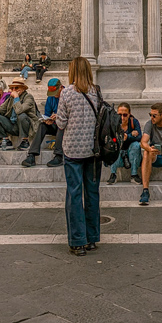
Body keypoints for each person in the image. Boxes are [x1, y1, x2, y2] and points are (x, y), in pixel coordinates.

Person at [55, 56, 102, 256]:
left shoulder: (66, 93)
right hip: (93, 151)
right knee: (92, 194)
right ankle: (92, 238)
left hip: (73, 151)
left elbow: (60, 123)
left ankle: (77, 241)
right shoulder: (97, 92)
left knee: (74, 194)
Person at [22, 77, 65, 168]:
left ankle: (59, 156)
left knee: (61, 127)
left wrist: (59, 115)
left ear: (61, 87)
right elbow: (47, 114)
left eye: (56, 92)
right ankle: (32, 155)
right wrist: (48, 120)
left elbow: (72, 114)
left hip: (67, 126)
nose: (55, 95)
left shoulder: (68, 95)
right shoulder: (51, 98)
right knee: (42, 125)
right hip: (56, 124)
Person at [0, 76, 39, 151]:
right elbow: (1, 108)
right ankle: (6, 141)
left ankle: (25, 141)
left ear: (23, 89)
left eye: (16, 88)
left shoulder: (28, 97)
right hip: (13, 124)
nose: (14, 90)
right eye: (13, 88)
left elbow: (19, 110)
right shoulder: (10, 98)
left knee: (21, 116)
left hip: (26, 126)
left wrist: (16, 97)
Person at [107, 103, 142, 185]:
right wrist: (130, 135)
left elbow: (140, 137)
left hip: (131, 154)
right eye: (120, 114)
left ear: (129, 114)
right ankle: (113, 174)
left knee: (136, 145)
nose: (122, 117)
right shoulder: (113, 123)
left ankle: (134, 174)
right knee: (113, 145)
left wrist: (128, 137)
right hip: (118, 153)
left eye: (125, 115)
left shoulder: (134, 122)